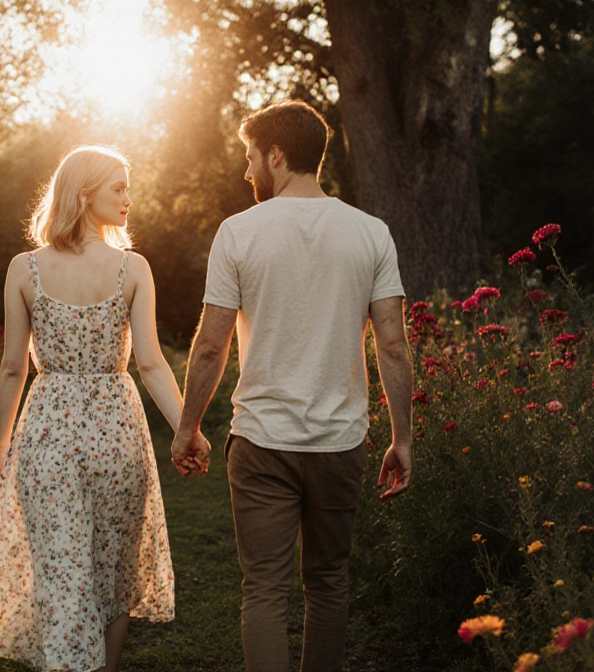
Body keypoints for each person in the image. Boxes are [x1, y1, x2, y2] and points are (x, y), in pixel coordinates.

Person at [170, 100, 415, 672]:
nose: (246, 171)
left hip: (261, 442)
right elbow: (394, 345)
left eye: (250, 157)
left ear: (276, 155)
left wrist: (187, 429)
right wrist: (403, 438)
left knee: (264, 590)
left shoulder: (238, 232)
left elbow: (210, 345)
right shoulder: (372, 232)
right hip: (340, 441)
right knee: (328, 583)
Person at [0, 146, 201, 671]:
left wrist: (2, 447)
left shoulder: (25, 269)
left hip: (47, 435)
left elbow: (13, 369)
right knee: (112, 573)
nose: (129, 199)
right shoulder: (133, 268)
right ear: (85, 194)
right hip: (117, 431)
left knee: (64, 575)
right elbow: (151, 364)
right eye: (119, 188)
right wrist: (187, 429)